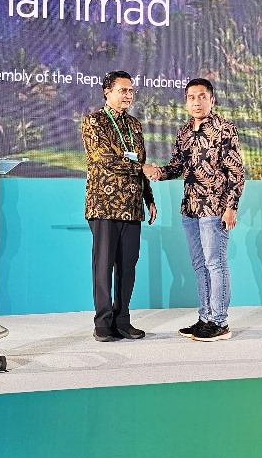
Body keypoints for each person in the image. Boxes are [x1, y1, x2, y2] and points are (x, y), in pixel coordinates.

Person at [144, 78, 244, 341]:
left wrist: (231, 207)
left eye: (202, 96)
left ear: (212, 100)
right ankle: (205, 318)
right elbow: (177, 167)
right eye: (191, 97)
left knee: (215, 263)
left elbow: (236, 172)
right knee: (200, 265)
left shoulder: (225, 129)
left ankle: (220, 323)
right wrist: (157, 172)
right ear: (186, 102)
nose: (196, 102)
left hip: (214, 207)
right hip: (190, 209)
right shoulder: (184, 133)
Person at [82, 70, 156, 342]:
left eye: (130, 91)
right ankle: (103, 322)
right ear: (107, 92)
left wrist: (149, 198)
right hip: (104, 205)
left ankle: (122, 320)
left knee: (128, 266)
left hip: (132, 206)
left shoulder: (134, 125)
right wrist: (142, 168)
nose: (128, 95)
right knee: (103, 266)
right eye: (122, 90)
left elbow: (141, 164)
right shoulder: (94, 121)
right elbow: (104, 159)